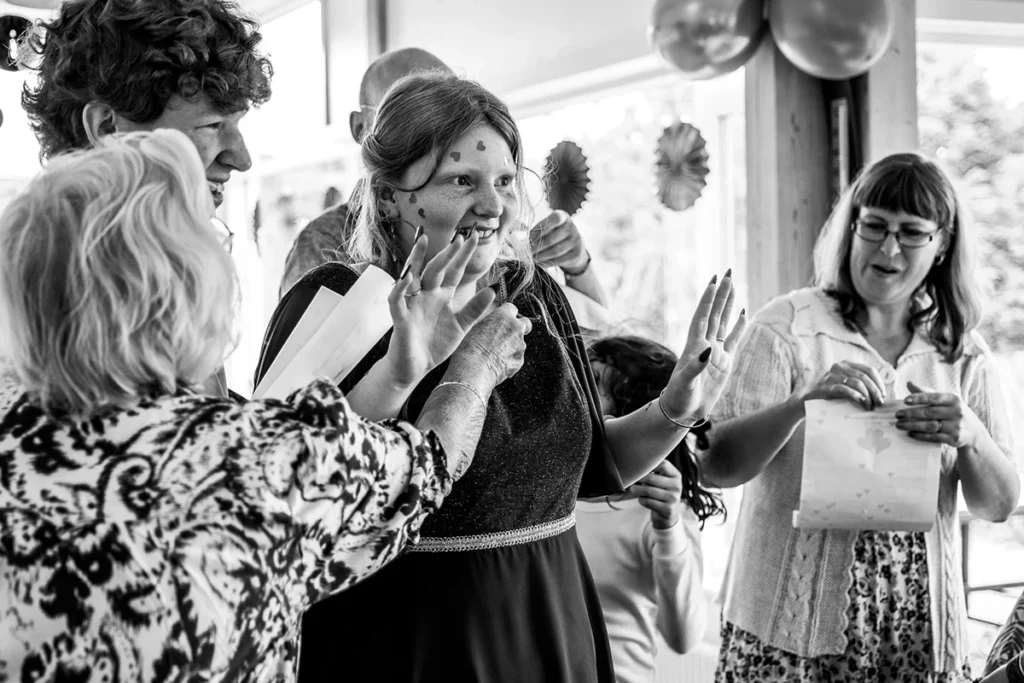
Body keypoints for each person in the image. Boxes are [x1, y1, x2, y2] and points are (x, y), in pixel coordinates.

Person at [254, 71, 746, 683]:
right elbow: (293, 490)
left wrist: (675, 406)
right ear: (388, 197)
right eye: (462, 181)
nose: (494, 205)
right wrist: (405, 374)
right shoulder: (330, 302)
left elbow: (595, 469)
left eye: (506, 181)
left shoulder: (533, 296)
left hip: (549, 621)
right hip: (406, 639)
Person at [0, 129, 528, 682]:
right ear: (183, 291)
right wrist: (475, 368)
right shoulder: (248, 457)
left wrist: (400, 372)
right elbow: (430, 462)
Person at [700, 152, 1020, 682]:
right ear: (852, 228)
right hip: (787, 638)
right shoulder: (786, 326)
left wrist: (972, 437)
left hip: (918, 642)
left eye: (912, 232)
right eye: (874, 225)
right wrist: (800, 405)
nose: (888, 248)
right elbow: (715, 466)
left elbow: (999, 505)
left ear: (942, 245)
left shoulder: (962, 353)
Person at [19, 0, 272, 397]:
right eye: (211, 125)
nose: (241, 159)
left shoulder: (163, 276)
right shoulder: (57, 300)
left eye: (236, 125)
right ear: (107, 128)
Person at [278, 50, 608, 312]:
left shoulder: (512, 266)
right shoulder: (325, 252)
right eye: (404, 112)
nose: (491, 205)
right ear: (361, 128)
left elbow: (604, 352)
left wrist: (579, 265)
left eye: (504, 181)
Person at [577, 335, 726, 683]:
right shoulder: (553, 489)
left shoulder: (662, 511)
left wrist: (668, 527)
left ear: (632, 415)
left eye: (595, 383)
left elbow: (683, 638)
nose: (578, 388)